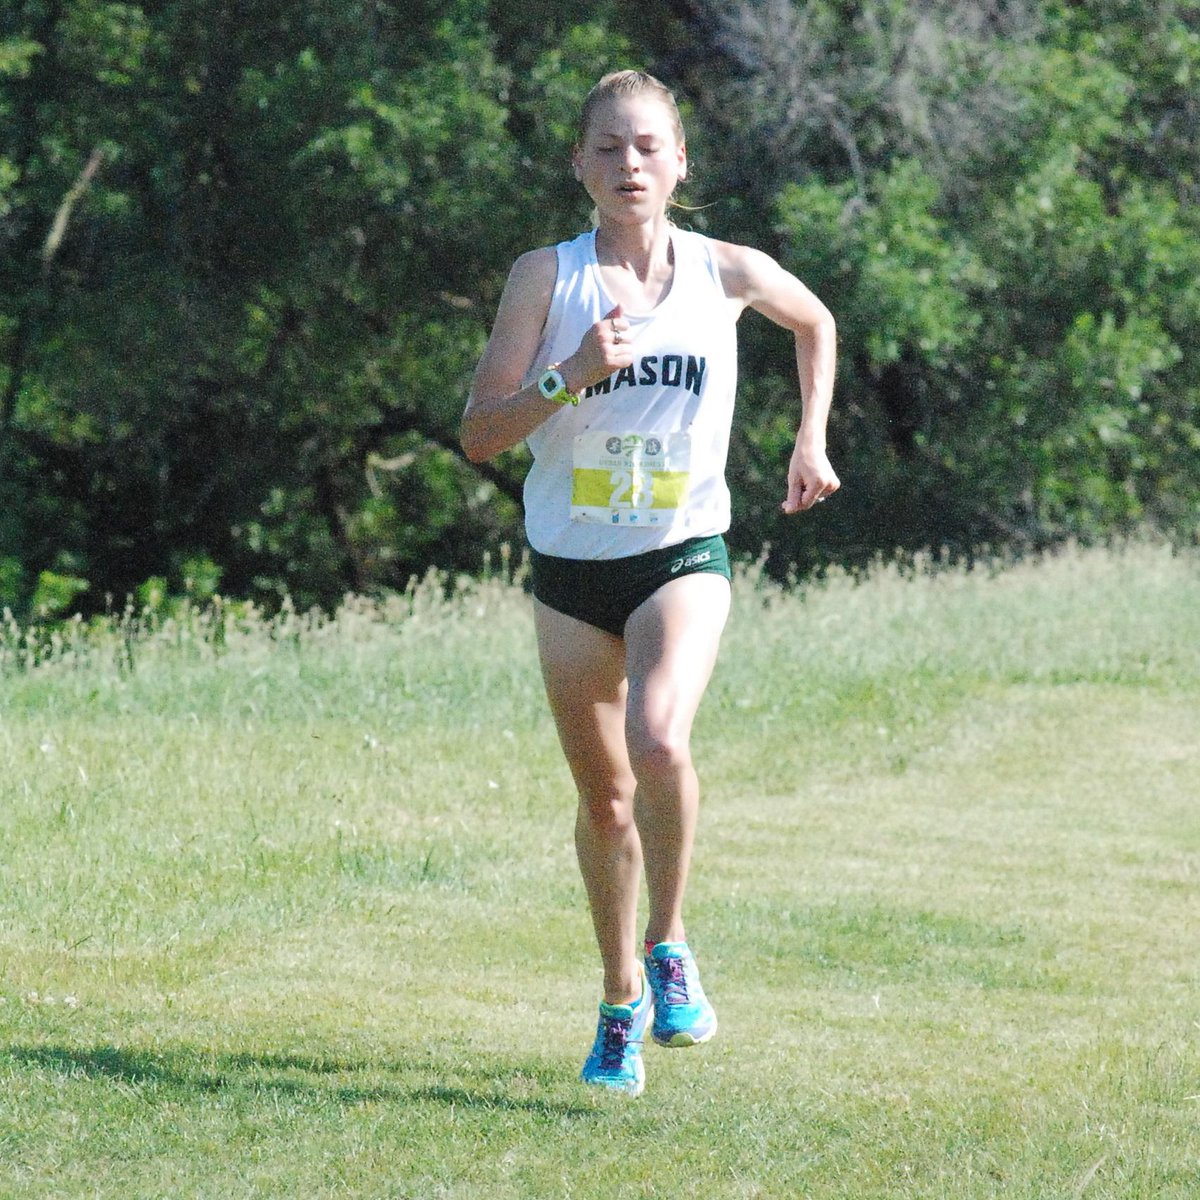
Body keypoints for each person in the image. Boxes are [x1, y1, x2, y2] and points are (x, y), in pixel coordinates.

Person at [461, 70, 838, 1097]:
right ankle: (619, 997)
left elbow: (815, 322)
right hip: (571, 571)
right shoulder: (545, 279)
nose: (628, 164)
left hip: (681, 552)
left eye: (646, 147)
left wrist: (809, 439)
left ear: (679, 164)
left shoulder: (726, 271)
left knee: (660, 738)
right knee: (606, 802)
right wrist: (567, 376)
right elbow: (480, 434)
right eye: (608, 148)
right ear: (579, 166)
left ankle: (669, 946)